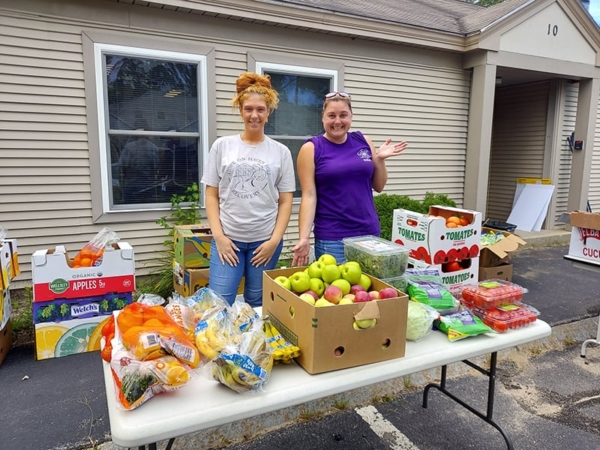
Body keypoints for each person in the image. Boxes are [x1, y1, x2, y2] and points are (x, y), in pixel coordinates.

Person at [201, 72, 295, 307]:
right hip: (228, 240)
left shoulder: (280, 151)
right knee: (219, 302)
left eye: (260, 109)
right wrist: (219, 237)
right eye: (249, 109)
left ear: (268, 111)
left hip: (264, 243)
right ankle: (220, 344)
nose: (254, 115)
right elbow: (211, 194)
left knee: (257, 301)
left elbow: (285, 200)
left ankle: (249, 343)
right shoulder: (222, 146)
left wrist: (275, 240)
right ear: (241, 110)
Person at [291, 91, 408, 266]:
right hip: (333, 238)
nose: (337, 121)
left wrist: (379, 159)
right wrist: (303, 237)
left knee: (368, 291)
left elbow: (379, 185)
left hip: (368, 233)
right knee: (337, 291)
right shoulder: (312, 148)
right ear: (323, 118)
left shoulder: (363, 141)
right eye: (331, 115)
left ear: (351, 117)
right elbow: (308, 195)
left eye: (343, 115)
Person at [118, 119, 160, 204]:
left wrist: (121, 184)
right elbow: (156, 168)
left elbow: (121, 166)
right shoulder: (153, 147)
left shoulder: (129, 147)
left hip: (131, 184)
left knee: (129, 209)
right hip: (148, 185)